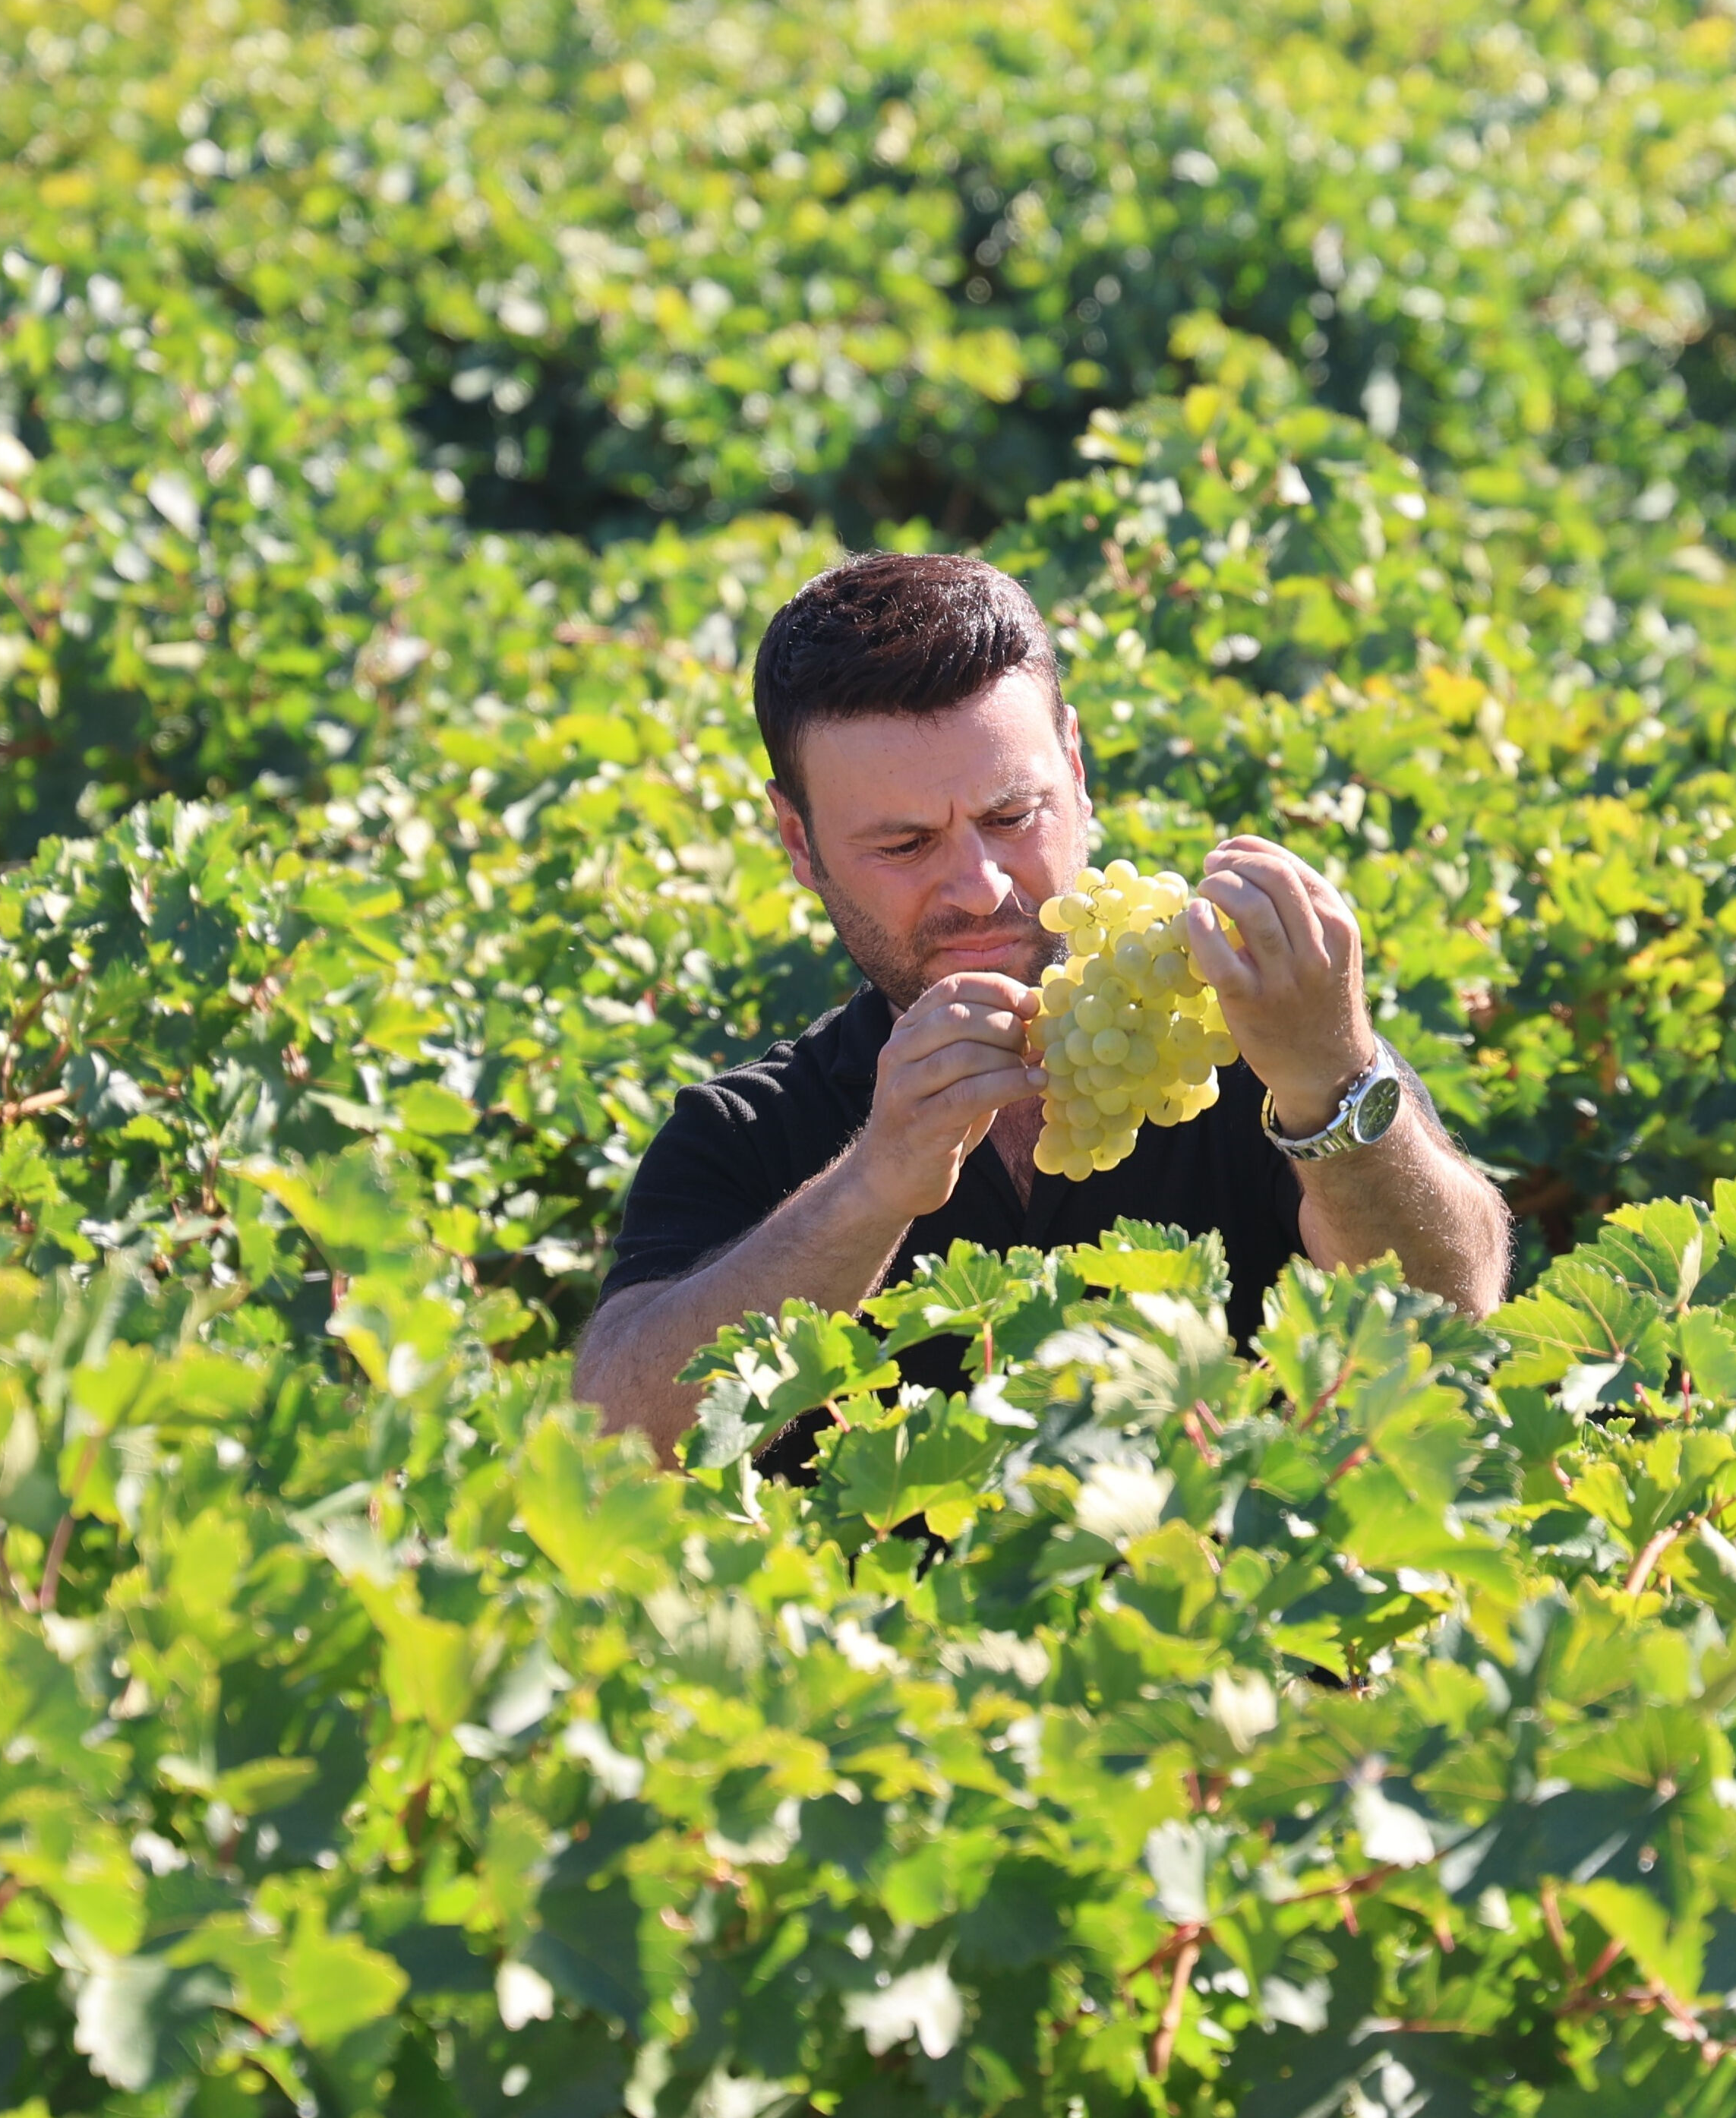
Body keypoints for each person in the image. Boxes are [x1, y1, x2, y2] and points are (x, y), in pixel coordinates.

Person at [570, 551, 1515, 1456]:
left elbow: (1448, 1316)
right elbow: (612, 1444)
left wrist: (1332, 1076)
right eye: (903, 846)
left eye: (1010, 817)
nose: (979, 886)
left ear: (1076, 768)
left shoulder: (1244, 1040)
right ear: (799, 841)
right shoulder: (745, 1130)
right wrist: (872, 1186)